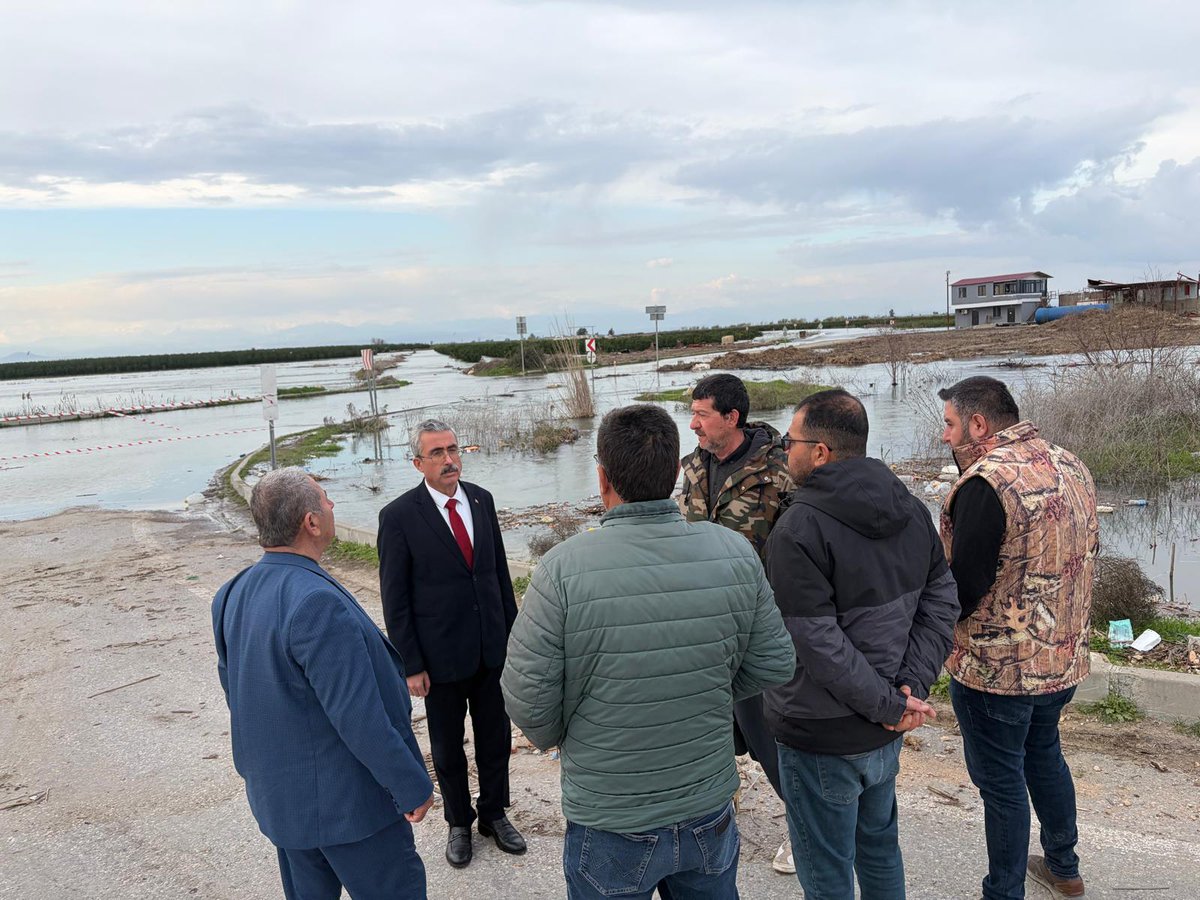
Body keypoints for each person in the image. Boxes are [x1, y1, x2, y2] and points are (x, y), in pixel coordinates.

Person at [502, 403, 796, 900]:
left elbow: (529, 701)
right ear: (674, 473)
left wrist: (572, 733)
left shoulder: (561, 568)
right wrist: (709, 689)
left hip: (611, 814)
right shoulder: (732, 551)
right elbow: (772, 662)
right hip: (707, 805)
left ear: (603, 478)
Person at [764, 389, 959, 900]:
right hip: (886, 721)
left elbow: (815, 642)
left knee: (826, 872)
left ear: (821, 452)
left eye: (791, 441)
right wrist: (905, 690)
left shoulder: (798, 527)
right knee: (878, 851)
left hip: (824, 730)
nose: (786, 450)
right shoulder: (912, 508)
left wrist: (895, 699)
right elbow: (942, 600)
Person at [212, 467, 434, 900]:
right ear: (310, 523)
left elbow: (239, 695)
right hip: (349, 811)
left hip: (283, 806)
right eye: (325, 499)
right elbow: (359, 717)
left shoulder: (231, 594)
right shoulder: (315, 602)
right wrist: (410, 785)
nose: (332, 506)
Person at [937, 376, 1098, 900]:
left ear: (978, 424)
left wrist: (931, 633)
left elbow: (965, 585)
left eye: (950, 424)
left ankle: (1003, 892)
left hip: (997, 670)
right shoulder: (1069, 463)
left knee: (1002, 784)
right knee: (1044, 754)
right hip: (1061, 659)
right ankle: (1064, 867)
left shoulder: (987, 483)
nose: (945, 437)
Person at [377, 419, 524, 869]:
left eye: (453, 450)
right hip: (438, 659)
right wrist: (410, 664)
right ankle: (459, 822)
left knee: (495, 738)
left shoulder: (481, 500)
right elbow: (395, 599)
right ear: (418, 462)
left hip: (491, 649)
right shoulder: (399, 517)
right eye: (437, 453)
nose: (448, 460)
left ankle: (494, 814)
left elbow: (498, 574)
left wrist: (513, 639)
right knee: (446, 746)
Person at [676, 373, 796, 873]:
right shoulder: (693, 468)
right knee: (710, 728)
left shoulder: (781, 470)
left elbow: (800, 557)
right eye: (693, 413)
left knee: (766, 733)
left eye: (702, 414)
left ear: (732, 418)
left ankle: (802, 823)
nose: (693, 423)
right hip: (703, 626)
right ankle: (721, 801)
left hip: (757, 627)